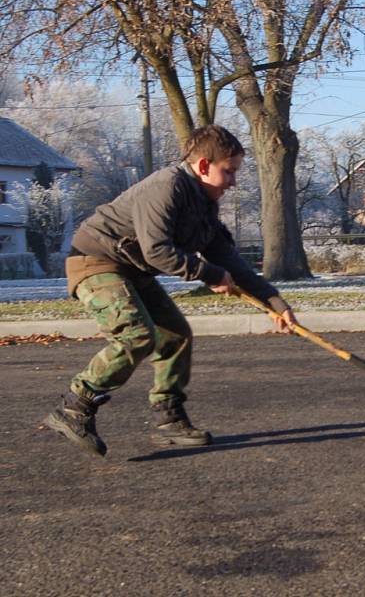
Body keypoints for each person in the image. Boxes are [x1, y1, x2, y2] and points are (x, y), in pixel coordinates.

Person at [43, 124, 297, 456]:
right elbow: (158, 252)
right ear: (204, 166)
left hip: (133, 271)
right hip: (97, 262)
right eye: (229, 172)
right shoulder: (166, 187)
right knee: (136, 335)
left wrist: (274, 303)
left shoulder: (204, 204)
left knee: (175, 334)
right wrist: (209, 274)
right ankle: (75, 406)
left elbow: (231, 263)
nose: (234, 182)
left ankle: (169, 419)